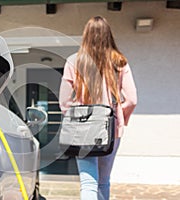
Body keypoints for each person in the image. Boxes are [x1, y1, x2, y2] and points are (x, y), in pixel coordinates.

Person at [59, 16, 137, 200]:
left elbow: (64, 102)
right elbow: (132, 99)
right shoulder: (119, 62)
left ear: (86, 35)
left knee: (88, 182)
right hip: (111, 130)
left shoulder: (74, 61)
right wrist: (120, 119)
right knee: (103, 181)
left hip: (83, 130)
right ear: (108, 35)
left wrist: (78, 116)